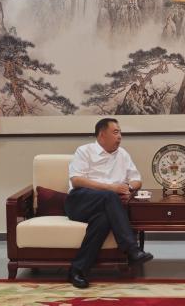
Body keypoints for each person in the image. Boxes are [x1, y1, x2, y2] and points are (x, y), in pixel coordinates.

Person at [65, 118, 154, 289]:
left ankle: (77, 270)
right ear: (101, 135)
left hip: (107, 205)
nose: (120, 136)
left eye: (120, 133)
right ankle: (132, 249)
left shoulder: (123, 154)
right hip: (79, 202)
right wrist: (111, 188)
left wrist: (127, 187)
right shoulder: (84, 151)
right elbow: (76, 180)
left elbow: (137, 180)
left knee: (103, 220)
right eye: (115, 132)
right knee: (110, 196)